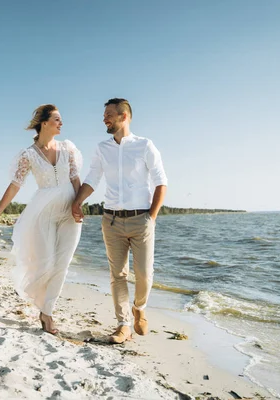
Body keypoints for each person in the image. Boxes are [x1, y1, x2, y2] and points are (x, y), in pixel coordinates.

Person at [72, 98, 168, 344]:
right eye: (105, 115)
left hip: (141, 220)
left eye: (109, 115)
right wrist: (77, 201)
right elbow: (92, 178)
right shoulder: (102, 148)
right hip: (111, 220)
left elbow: (161, 182)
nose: (104, 119)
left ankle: (140, 308)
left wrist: (152, 217)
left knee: (144, 274)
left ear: (124, 116)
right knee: (118, 275)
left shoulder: (145, 145)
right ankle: (123, 324)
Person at [0, 104, 83, 335]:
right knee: (47, 264)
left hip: (70, 212)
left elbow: (76, 179)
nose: (61, 123)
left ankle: (47, 313)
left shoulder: (68, 148)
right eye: (57, 119)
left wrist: (78, 204)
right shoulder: (28, 155)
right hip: (43, 213)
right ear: (44, 123)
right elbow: (15, 186)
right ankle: (42, 304)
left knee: (63, 264)